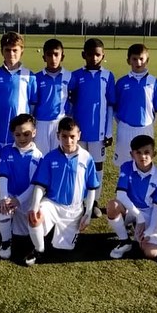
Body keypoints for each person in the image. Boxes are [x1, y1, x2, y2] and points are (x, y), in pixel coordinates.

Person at [25, 117, 100, 266]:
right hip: (52, 204)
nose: (68, 141)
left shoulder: (87, 158)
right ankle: (38, 249)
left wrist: (88, 213)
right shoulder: (49, 157)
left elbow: (91, 187)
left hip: (74, 209)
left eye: (72, 136)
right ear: (58, 135)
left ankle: (53, 233)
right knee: (34, 219)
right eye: (64, 136)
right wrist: (34, 206)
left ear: (79, 135)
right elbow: (40, 185)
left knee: (65, 249)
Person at [68, 38, 115, 217]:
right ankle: (78, 200)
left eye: (97, 54)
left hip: (98, 132)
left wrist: (108, 132)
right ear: (83, 55)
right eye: (90, 54)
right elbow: (70, 103)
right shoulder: (75, 76)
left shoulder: (108, 76)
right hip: (78, 132)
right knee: (78, 165)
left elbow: (110, 106)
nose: (94, 58)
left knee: (96, 166)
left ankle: (93, 201)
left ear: (103, 55)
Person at [105, 134, 157, 260]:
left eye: (147, 152)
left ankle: (139, 230)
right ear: (132, 154)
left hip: (148, 212)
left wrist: (149, 231)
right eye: (138, 152)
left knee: (151, 253)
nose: (143, 156)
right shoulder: (126, 167)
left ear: (154, 154)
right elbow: (121, 195)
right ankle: (125, 241)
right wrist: (139, 218)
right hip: (129, 209)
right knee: (112, 206)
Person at [0, 113, 43, 260]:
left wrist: (19, 200)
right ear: (13, 134)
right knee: (2, 210)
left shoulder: (38, 156)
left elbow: (34, 184)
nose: (22, 138)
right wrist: (4, 198)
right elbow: (3, 175)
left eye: (26, 134)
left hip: (26, 200)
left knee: (22, 235)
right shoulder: (6, 150)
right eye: (18, 134)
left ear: (34, 132)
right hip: (9, 196)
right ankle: (5, 242)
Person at [113, 44, 157, 167]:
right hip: (125, 129)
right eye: (134, 59)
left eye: (141, 59)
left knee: (144, 163)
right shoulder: (121, 82)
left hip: (145, 129)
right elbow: (115, 108)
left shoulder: (154, 82)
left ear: (147, 60)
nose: (138, 62)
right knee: (124, 164)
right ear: (128, 61)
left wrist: (149, 124)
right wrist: (123, 123)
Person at [0, 31, 37, 145]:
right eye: (7, 50)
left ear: (21, 51)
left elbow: (32, 105)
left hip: (21, 135)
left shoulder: (30, 76)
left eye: (15, 50)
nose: (11, 54)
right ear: (1, 51)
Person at [33, 38, 71, 154]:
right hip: (41, 124)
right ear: (44, 57)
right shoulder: (36, 78)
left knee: (59, 156)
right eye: (49, 55)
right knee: (40, 157)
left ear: (62, 56)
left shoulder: (70, 77)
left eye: (56, 54)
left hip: (60, 122)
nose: (53, 58)